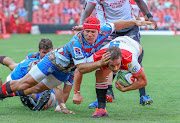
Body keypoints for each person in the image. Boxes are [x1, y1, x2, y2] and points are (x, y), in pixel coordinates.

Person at [0, 17, 152, 113]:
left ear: (98, 31)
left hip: (64, 72)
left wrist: (134, 22)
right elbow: (81, 68)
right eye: (87, 32)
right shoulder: (77, 43)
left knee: (36, 88)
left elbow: (116, 25)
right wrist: (100, 62)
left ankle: (4, 94)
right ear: (83, 31)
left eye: (93, 32)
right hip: (52, 61)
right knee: (26, 82)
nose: (89, 35)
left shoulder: (104, 30)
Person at [73, 0, 156, 108]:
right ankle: (106, 94)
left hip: (130, 27)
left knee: (133, 58)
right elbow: (87, 11)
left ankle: (143, 95)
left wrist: (149, 16)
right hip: (110, 29)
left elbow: (139, 1)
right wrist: (82, 28)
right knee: (108, 59)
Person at [73, 35, 151, 117]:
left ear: (121, 58)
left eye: (118, 64)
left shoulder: (130, 59)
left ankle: (142, 95)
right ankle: (101, 109)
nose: (116, 69)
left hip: (134, 46)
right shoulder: (98, 56)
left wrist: (126, 89)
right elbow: (79, 70)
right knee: (100, 73)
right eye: (112, 66)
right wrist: (76, 93)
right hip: (116, 46)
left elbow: (143, 81)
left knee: (138, 75)